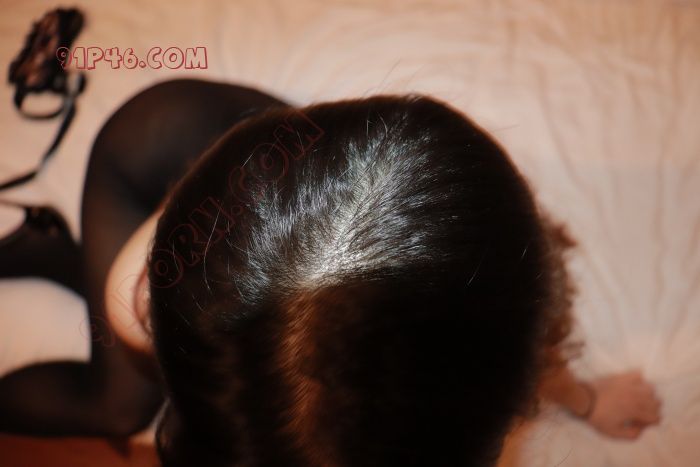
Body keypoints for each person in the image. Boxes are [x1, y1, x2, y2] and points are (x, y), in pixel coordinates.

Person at [0, 79, 661, 465]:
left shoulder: (483, 270)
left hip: (267, 170)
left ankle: (49, 250)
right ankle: (50, 251)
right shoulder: (141, 298)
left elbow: (517, 343)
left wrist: (587, 398)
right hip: (151, 157)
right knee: (117, 406)